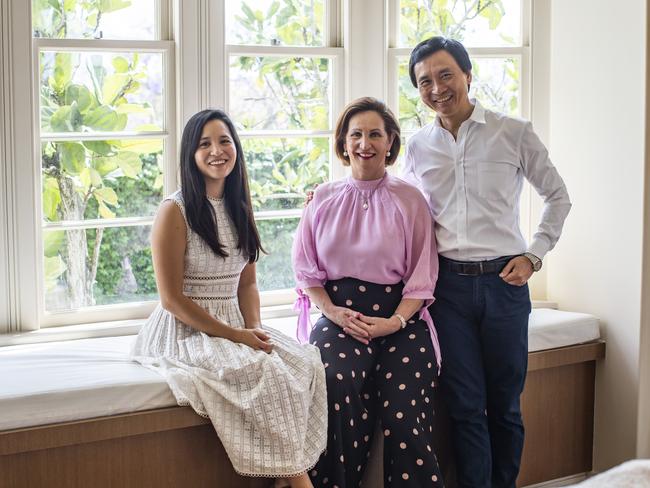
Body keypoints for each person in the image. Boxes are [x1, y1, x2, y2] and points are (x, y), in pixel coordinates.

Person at [403, 36, 572, 488]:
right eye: (425, 82)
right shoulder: (417, 147)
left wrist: (534, 254)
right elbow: (398, 208)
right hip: (448, 292)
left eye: (445, 75)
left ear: (467, 75)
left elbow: (557, 196)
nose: (437, 88)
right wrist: (328, 196)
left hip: (505, 284)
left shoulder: (512, 131)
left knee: (504, 406)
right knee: (464, 406)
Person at [132, 109, 327, 488]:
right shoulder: (175, 210)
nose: (217, 150)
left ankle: (282, 477)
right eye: (204, 144)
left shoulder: (240, 205)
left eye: (224, 141)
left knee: (304, 363)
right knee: (263, 371)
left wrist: (252, 327)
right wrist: (236, 337)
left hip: (235, 321)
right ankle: (298, 480)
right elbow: (171, 299)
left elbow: (246, 284)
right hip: (184, 328)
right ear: (191, 154)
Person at [292, 97, 444, 488]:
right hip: (339, 315)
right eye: (355, 134)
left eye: (375, 134)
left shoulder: (411, 200)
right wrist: (332, 312)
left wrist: (393, 322)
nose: (365, 143)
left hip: (401, 318)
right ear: (343, 143)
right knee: (335, 382)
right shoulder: (321, 198)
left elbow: (422, 277)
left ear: (391, 142)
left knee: (402, 408)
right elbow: (307, 269)